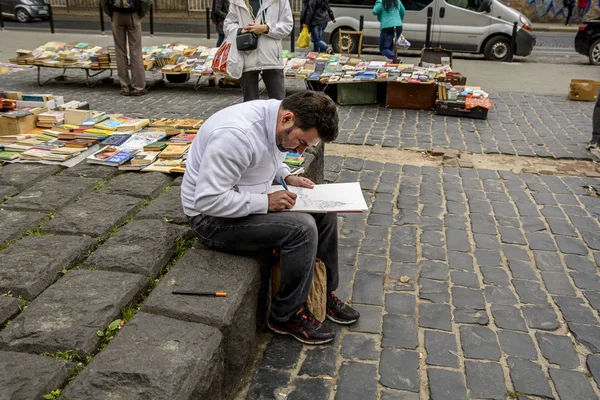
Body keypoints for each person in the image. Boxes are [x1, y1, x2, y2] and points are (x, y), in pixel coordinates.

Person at [181, 90, 360, 344]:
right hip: (210, 219)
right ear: (288, 119)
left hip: (246, 197)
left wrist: (285, 176)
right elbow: (207, 200)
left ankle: (323, 292)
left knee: (325, 212)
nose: (300, 152)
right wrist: (265, 202)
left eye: (307, 147)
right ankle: (285, 315)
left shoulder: (276, 117)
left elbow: (270, 156)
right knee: (302, 229)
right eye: (300, 143)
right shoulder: (235, 136)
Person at [224, 0, 293, 102]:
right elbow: (228, 25)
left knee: (278, 102)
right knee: (250, 104)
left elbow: (287, 25)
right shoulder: (237, 1)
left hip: (271, 57)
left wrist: (266, 28)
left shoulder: (279, 1)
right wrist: (240, 31)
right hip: (246, 55)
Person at [100, 0, 152, 96]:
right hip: (132, 14)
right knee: (135, 50)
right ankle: (138, 87)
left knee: (120, 50)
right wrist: (140, 14)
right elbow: (146, 1)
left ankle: (125, 87)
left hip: (116, 14)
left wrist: (111, 13)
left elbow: (103, 1)